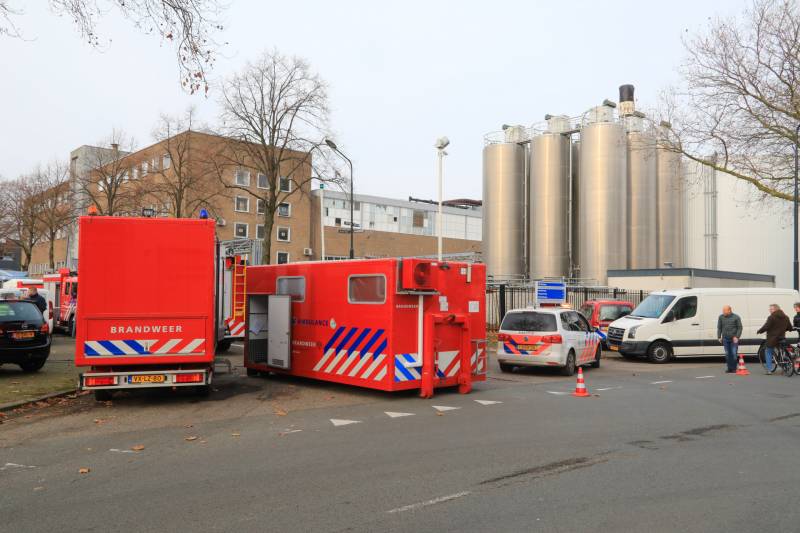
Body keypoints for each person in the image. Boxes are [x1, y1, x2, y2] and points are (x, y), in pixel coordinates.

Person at [757, 303, 793, 374]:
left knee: (768, 352)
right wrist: (785, 329)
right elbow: (790, 328)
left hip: (772, 339)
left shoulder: (771, 317)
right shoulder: (786, 317)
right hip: (782, 337)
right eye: (769, 309)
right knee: (782, 350)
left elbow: (766, 326)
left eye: (771, 309)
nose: (770, 310)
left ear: (776, 309)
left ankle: (769, 370)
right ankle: (785, 363)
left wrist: (759, 331)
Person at [717, 305, 743, 373]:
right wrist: (719, 336)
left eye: (724, 310)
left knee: (734, 353)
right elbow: (719, 327)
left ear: (729, 310)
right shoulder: (721, 317)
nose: (723, 312)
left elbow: (740, 328)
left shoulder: (736, 317)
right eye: (723, 310)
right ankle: (729, 368)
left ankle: (734, 368)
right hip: (725, 338)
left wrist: (737, 337)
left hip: (733, 339)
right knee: (727, 354)